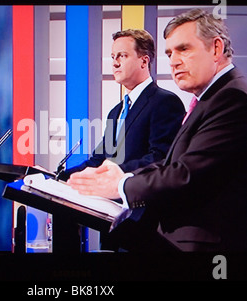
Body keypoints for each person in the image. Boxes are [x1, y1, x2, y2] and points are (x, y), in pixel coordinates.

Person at [68, 9, 247, 252]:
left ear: (216, 49)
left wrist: (120, 185)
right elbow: (172, 164)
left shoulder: (233, 99)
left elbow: (186, 175)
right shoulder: (212, 99)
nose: (174, 61)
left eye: (184, 49)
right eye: (169, 53)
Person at [56, 29, 185, 252]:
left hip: (146, 221)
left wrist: (112, 176)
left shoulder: (165, 102)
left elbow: (160, 157)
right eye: (113, 57)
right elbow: (99, 159)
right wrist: (57, 178)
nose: (114, 63)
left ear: (144, 61)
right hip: (112, 220)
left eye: (122, 56)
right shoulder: (116, 112)